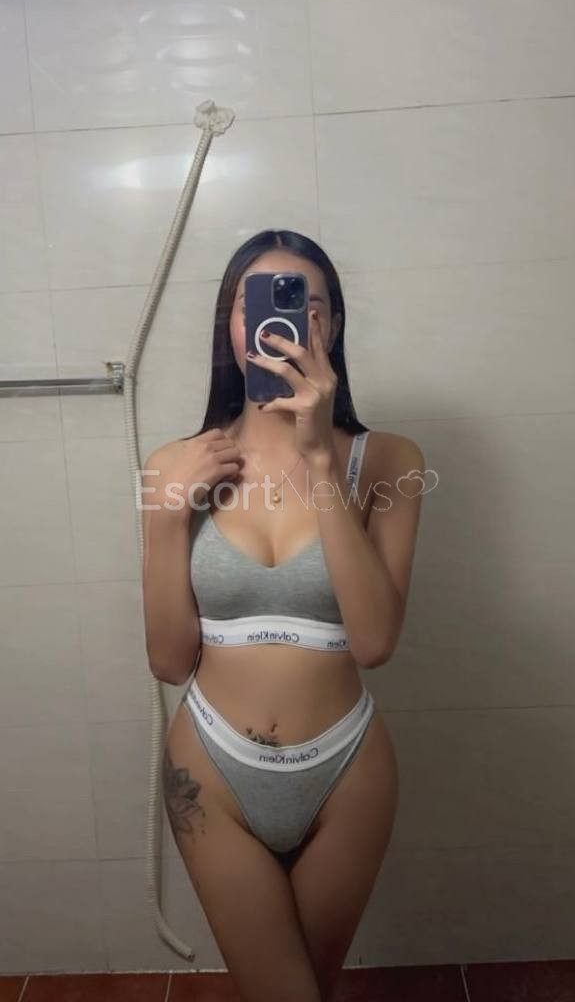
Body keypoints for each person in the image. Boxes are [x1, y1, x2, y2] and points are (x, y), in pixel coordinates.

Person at [141, 229, 424, 1002]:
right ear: (229, 325)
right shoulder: (172, 466)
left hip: (347, 770)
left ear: (331, 327)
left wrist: (321, 459)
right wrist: (167, 516)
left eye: (307, 303)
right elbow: (167, 660)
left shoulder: (388, 462)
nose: (277, 322)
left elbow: (374, 642)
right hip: (211, 766)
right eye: (254, 302)